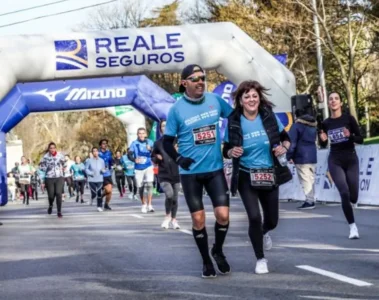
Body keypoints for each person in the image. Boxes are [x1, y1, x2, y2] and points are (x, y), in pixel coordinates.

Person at [163, 64, 233, 278]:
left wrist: (230, 143)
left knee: (223, 215)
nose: (200, 81)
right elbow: (166, 143)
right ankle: (206, 261)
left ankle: (218, 251)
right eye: (195, 79)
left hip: (215, 169)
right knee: (199, 220)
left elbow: (237, 118)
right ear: (185, 83)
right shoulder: (176, 109)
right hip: (191, 173)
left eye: (203, 77)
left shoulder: (215, 100)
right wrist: (178, 158)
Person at [223, 80, 292, 275]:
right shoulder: (234, 120)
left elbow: (286, 138)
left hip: (270, 172)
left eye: (254, 96)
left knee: (272, 220)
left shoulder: (268, 116)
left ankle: (263, 232)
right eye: (247, 97)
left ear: (259, 98)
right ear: (241, 100)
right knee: (254, 217)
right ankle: (260, 258)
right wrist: (231, 152)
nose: (251, 99)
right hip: (246, 174)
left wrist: (283, 148)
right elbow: (226, 149)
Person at [319, 92, 363, 239]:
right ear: (329, 103)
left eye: (336, 99)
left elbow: (360, 139)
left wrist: (349, 136)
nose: (333, 101)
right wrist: (323, 140)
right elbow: (323, 142)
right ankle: (353, 227)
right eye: (330, 99)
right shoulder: (326, 123)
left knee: (354, 195)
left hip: (350, 158)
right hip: (335, 159)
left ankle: (353, 203)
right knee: (344, 192)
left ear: (341, 103)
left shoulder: (348, 119)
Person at [151, 121, 181, 230]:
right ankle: (167, 217)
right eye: (163, 126)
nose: (165, 127)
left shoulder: (177, 141)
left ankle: (174, 219)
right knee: (169, 195)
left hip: (176, 173)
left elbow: (185, 154)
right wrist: (156, 158)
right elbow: (153, 157)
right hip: (164, 174)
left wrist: (179, 151)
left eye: (167, 125)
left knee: (175, 198)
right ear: (160, 129)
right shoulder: (158, 143)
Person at [287, 108, 318, 210]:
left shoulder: (296, 126)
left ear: (296, 116)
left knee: (305, 179)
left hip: (301, 156)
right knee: (311, 178)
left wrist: (289, 155)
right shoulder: (313, 126)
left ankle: (309, 201)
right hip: (312, 155)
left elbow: (292, 143)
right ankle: (312, 198)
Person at [128, 128, 155, 213]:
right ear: (137, 134)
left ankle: (150, 205)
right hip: (138, 168)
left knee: (150, 184)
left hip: (148, 166)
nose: (141, 135)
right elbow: (129, 154)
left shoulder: (150, 142)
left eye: (143, 133)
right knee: (140, 186)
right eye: (140, 133)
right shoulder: (134, 143)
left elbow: (156, 152)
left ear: (145, 134)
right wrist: (134, 160)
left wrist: (150, 149)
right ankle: (144, 204)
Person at [39, 142, 65, 218]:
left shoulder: (60, 155)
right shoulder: (45, 157)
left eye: (54, 148)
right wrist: (42, 181)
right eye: (51, 148)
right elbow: (42, 170)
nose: (52, 149)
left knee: (58, 194)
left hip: (59, 177)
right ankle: (50, 205)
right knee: (51, 195)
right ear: (49, 149)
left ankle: (59, 211)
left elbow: (65, 164)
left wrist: (63, 168)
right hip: (49, 178)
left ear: (55, 148)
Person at [86, 148, 106, 212]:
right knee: (94, 193)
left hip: (100, 179)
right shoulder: (89, 160)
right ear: (92, 153)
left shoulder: (102, 160)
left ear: (98, 152)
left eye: (96, 151)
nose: (95, 152)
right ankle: (92, 198)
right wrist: (91, 173)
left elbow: (103, 168)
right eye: (94, 151)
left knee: (99, 193)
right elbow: (86, 169)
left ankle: (99, 206)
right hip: (91, 179)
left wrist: (103, 171)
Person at [98, 139, 113, 210]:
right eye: (103, 143)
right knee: (107, 190)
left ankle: (106, 204)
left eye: (106, 143)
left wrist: (112, 166)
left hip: (107, 174)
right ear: (100, 145)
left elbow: (110, 162)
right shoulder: (97, 153)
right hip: (99, 174)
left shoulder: (109, 153)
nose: (105, 145)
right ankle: (100, 197)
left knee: (109, 190)